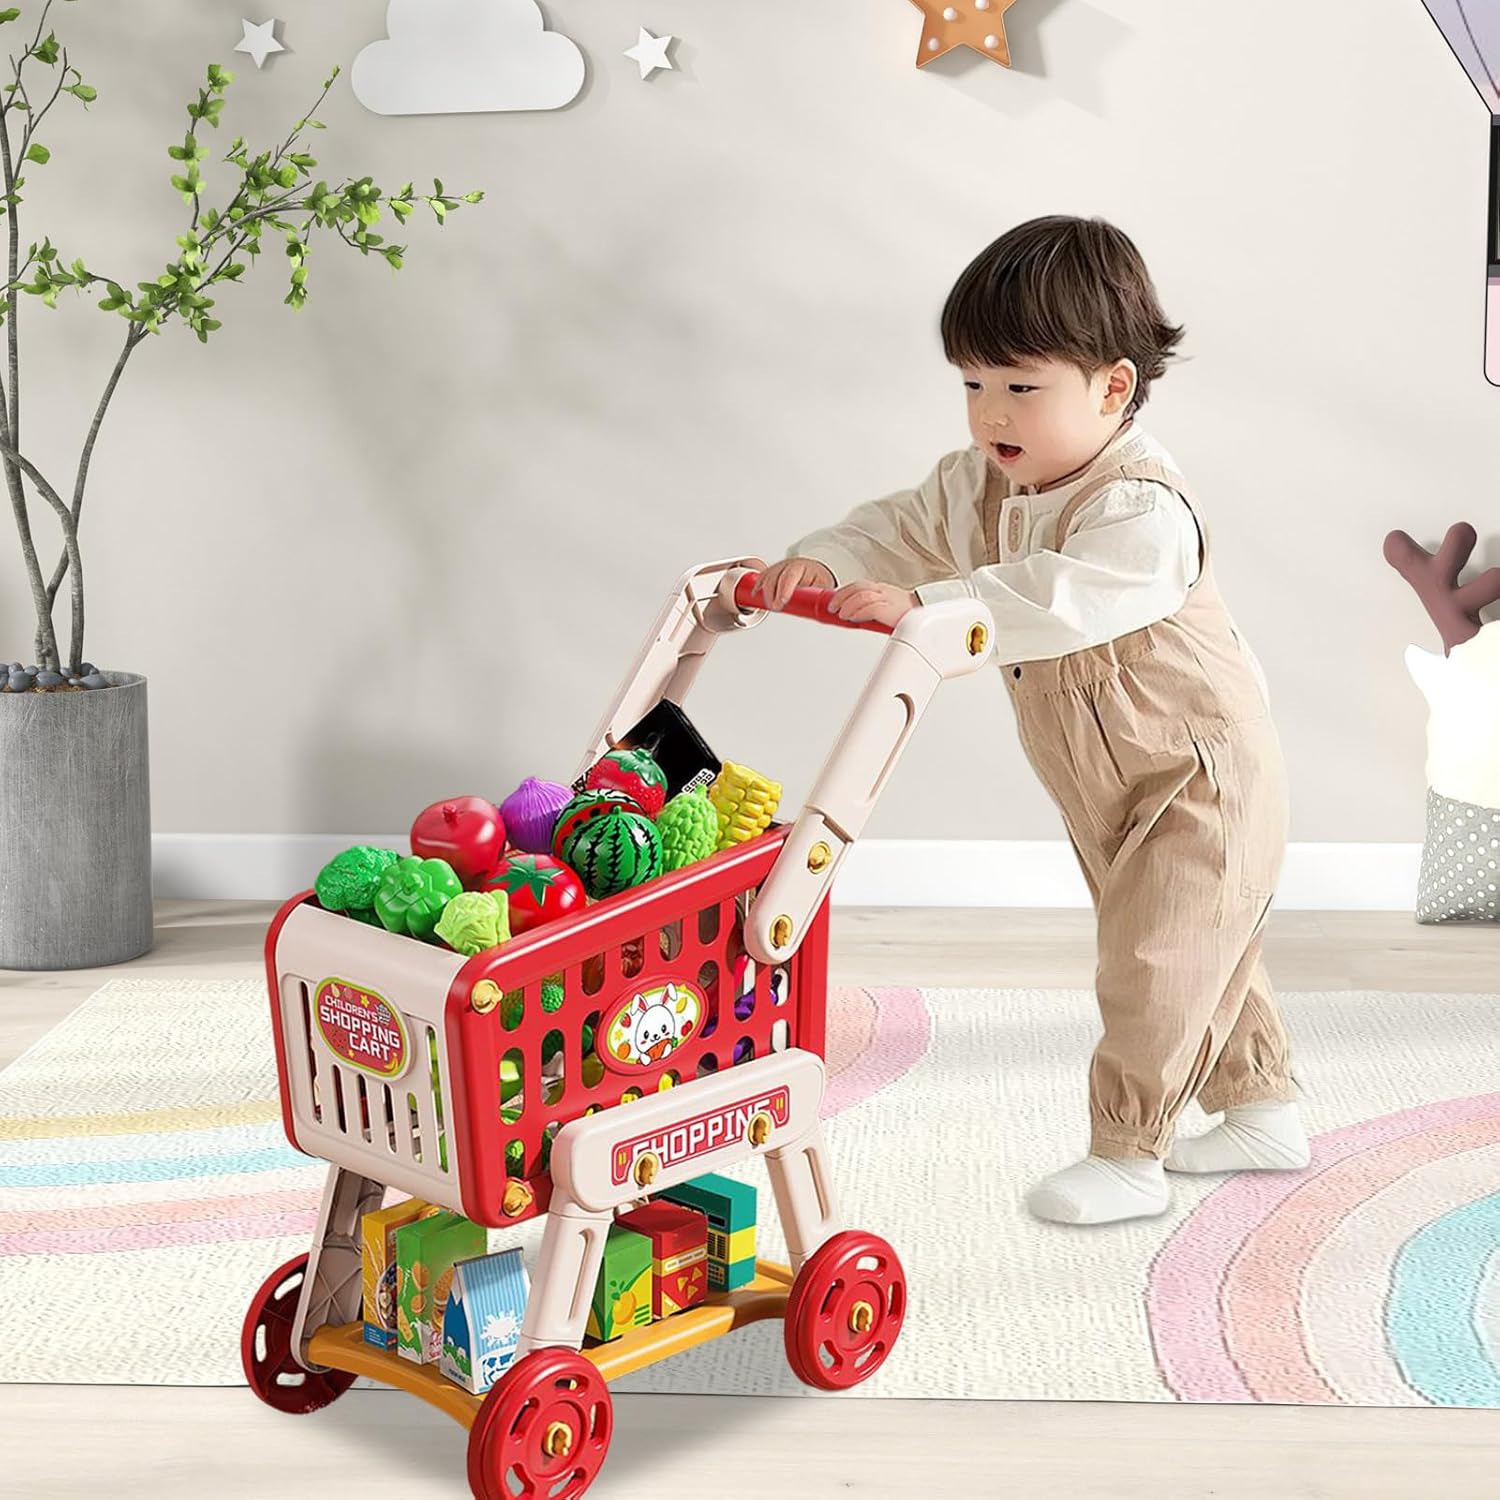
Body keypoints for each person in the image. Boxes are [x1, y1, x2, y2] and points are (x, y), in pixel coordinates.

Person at [756, 216, 1310, 1225]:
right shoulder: (983, 483)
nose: (989, 413)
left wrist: (933, 606)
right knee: (1199, 948)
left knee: (1156, 963)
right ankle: (1263, 1108)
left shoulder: (1140, 509)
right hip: (1106, 782)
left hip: (1202, 774)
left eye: (1021, 386)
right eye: (973, 383)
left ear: (1112, 388)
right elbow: (895, 527)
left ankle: (1128, 1154)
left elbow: (1063, 596)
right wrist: (826, 561)